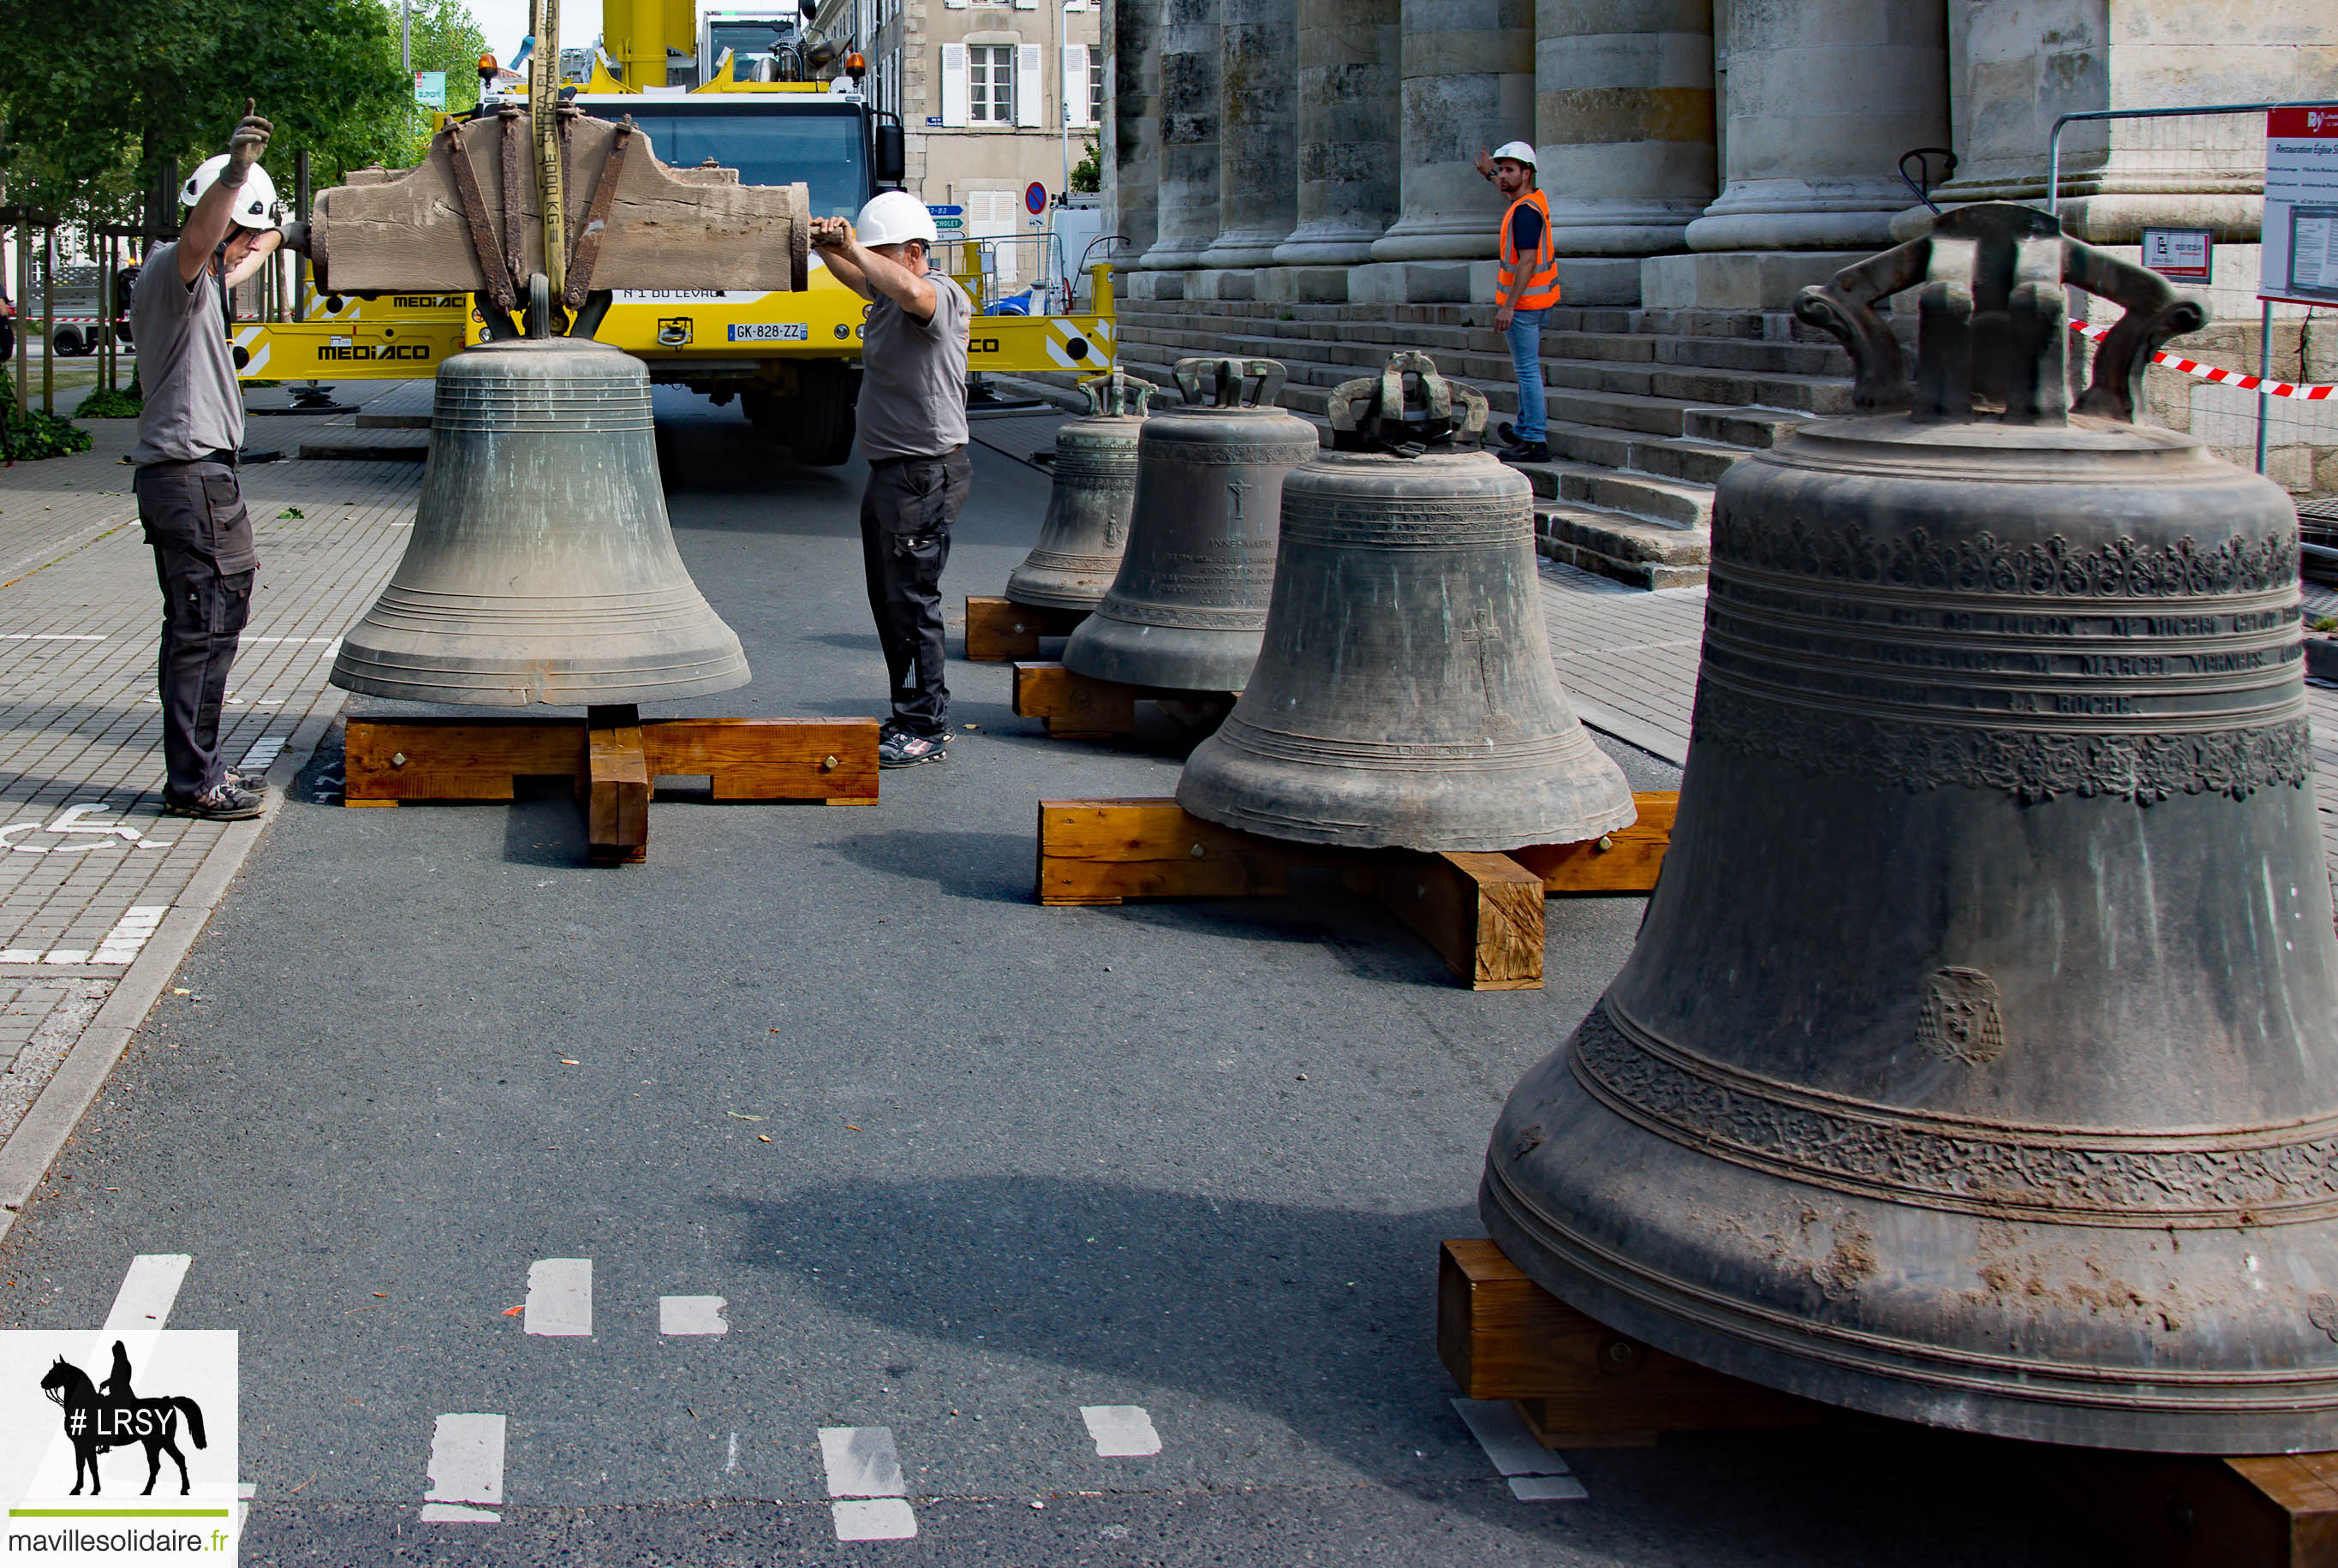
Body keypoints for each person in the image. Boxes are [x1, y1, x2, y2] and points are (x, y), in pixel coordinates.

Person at [129, 100, 283, 820]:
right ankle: (194, 783)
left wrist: (282, 230)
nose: (244, 248)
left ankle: (204, 770)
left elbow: (242, 256)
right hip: (190, 476)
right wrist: (237, 173)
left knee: (217, 620)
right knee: (201, 629)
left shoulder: (207, 286)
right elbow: (203, 239)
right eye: (243, 235)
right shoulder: (175, 270)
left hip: (199, 478)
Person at [808, 191, 974, 768]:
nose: (870, 267)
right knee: (890, 600)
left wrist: (852, 244)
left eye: (881, 255)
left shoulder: (938, 297)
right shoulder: (885, 298)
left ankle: (925, 724)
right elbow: (865, 279)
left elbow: (910, 290)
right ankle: (911, 711)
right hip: (893, 476)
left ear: (912, 252)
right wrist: (827, 248)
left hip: (924, 475)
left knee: (912, 600)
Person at [1473, 140, 1560, 464]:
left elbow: (1526, 261)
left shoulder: (1524, 213)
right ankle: (1525, 430)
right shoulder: (1532, 200)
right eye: (1501, 170)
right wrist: (1488, 174)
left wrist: (1508, 306)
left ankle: (1534, 439)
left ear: (1527, 173)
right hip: (1538, 301)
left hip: (1525, 306)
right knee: (1527, 370)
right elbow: (1504, 186)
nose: (1503, 176)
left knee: (1527, 371)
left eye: (1510, 170)